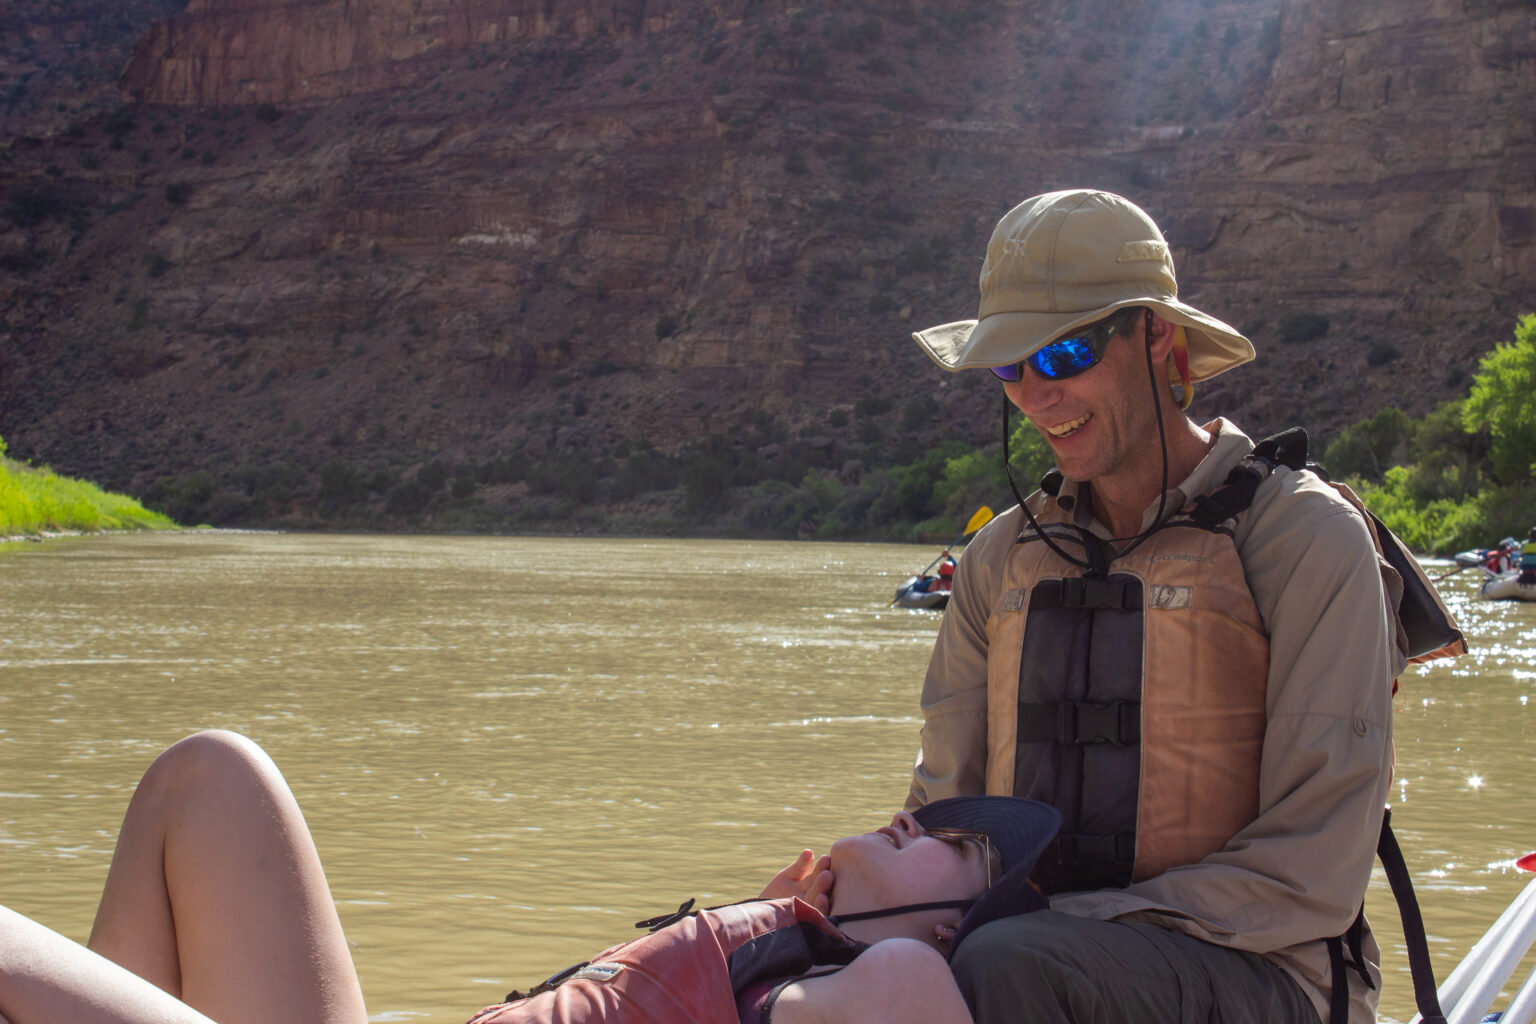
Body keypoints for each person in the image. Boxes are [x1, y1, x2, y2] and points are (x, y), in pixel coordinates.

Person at [904, 189, 1411, 1024]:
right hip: (1034, 956)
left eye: (1064, 353)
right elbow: (942, 821)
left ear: (1157, 337)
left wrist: (1048, 923)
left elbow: (1309, 871)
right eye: (1009, 366)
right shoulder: (999, 559)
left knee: (1003, 962)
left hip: (1267, 974)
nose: (1034, 394)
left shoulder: (1303, 541)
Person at [0, 730, 1060, 1024]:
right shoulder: (798, 962)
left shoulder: (908, 983)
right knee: (209, 776)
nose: (912, 816)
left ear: (939, 927)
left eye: (946, 846)